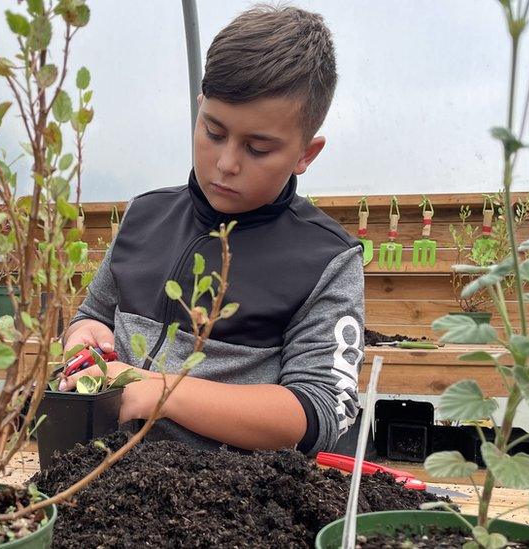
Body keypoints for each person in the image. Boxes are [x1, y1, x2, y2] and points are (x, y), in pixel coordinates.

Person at [61, 5, 364, 455]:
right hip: (105, 476)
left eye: (258, 148)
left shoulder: (325, 260)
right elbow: (94, 315)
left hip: (233, 502)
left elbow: (318, 411)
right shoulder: (144, 217)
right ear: (199, 109)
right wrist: (83, 337)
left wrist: (159, 391)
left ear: (306, 154)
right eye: (213, 132)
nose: (227, 164)